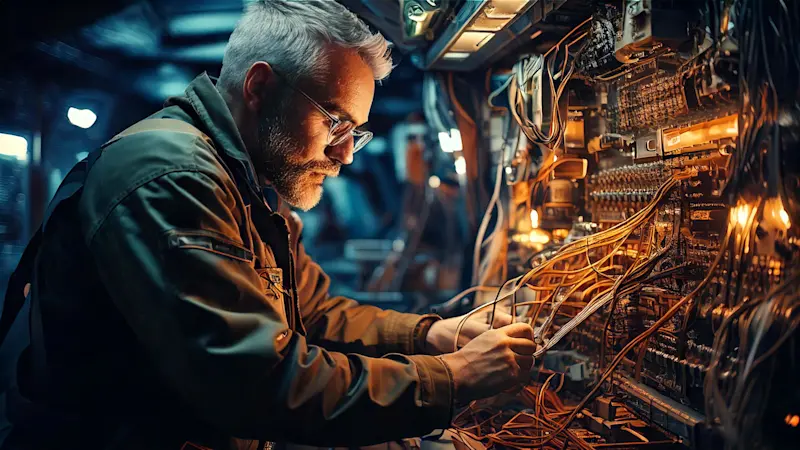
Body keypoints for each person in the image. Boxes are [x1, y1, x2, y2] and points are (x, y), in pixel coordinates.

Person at [1, 1, 536, 449]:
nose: (346, 154)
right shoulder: (174, 176)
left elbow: (313, 313)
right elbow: (256, 382)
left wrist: (431, 335)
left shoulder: (246, 181)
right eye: (335, 123)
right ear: (259, 87)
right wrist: (452, 377)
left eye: (356, 132)